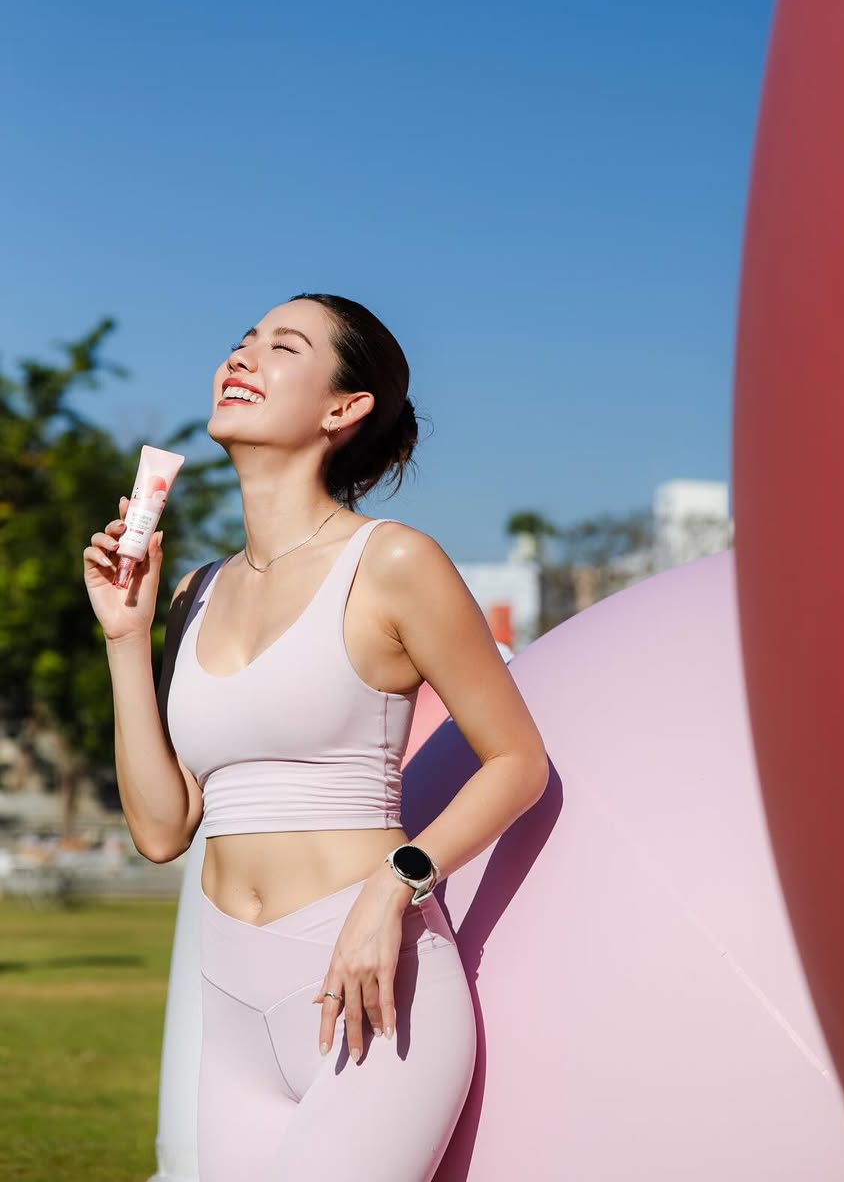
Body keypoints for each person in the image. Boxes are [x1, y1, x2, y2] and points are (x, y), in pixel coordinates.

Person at [83, 291, 550, 1182]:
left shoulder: (393, 561)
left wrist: (395, 887)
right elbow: (160, 829)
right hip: (231, 1006)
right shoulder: (191, 593)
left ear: (345, 408)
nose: (242, 357)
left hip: (371, 987)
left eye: (282, 346)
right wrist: (124, 636)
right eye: (241, 341)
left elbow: (518, 761)